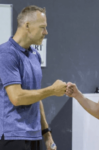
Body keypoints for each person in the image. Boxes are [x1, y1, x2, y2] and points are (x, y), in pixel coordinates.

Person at [0, 5, 67, 150]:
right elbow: (17, 97)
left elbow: (36, 98)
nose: (46, 32)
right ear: (27, 26)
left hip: (35, 136)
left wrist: (47, 135)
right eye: (42, 27)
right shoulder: (6, 53)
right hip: (13, 137)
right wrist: (52, 90)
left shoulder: (35, 56)